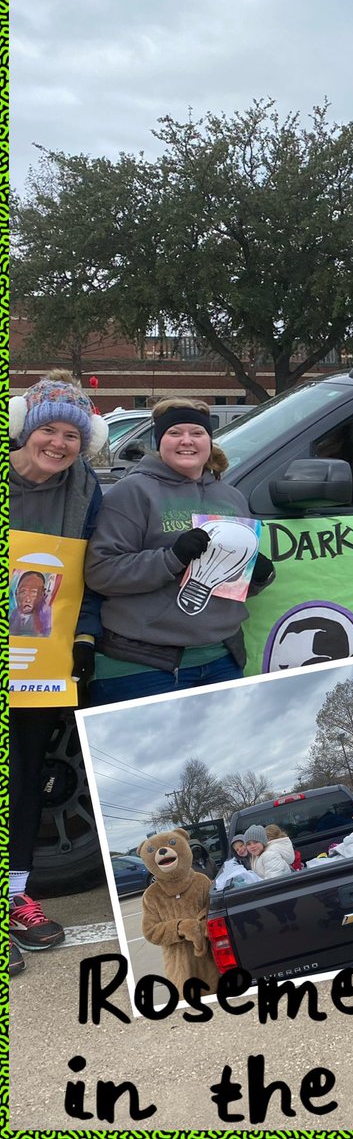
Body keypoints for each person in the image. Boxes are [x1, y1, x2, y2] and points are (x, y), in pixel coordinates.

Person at [8, 372, 108, 974]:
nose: (59, 442)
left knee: (23, 782)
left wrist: (86, 636)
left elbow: (90, 574)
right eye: (47, 427)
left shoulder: (86, 490)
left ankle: (15, 895)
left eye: (72, 433)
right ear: (23, 426)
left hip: (41, 663)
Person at [83, 399, 275, 706]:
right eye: (175, 433)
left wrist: (257, 576)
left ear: (209, 442)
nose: (186, 440)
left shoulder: (231, 497)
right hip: (143, 663)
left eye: (197, 433)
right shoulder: (132, 492)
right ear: (160, 442)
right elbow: (101, 573)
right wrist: (171, 558)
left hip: (221, 657)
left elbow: (229, 582)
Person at [11, 570, 53, 637]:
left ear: (43, 594)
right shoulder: (14, 615)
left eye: (34, 593)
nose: (28, 599)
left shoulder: (47, 619)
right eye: (23, 592)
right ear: (16, 593)